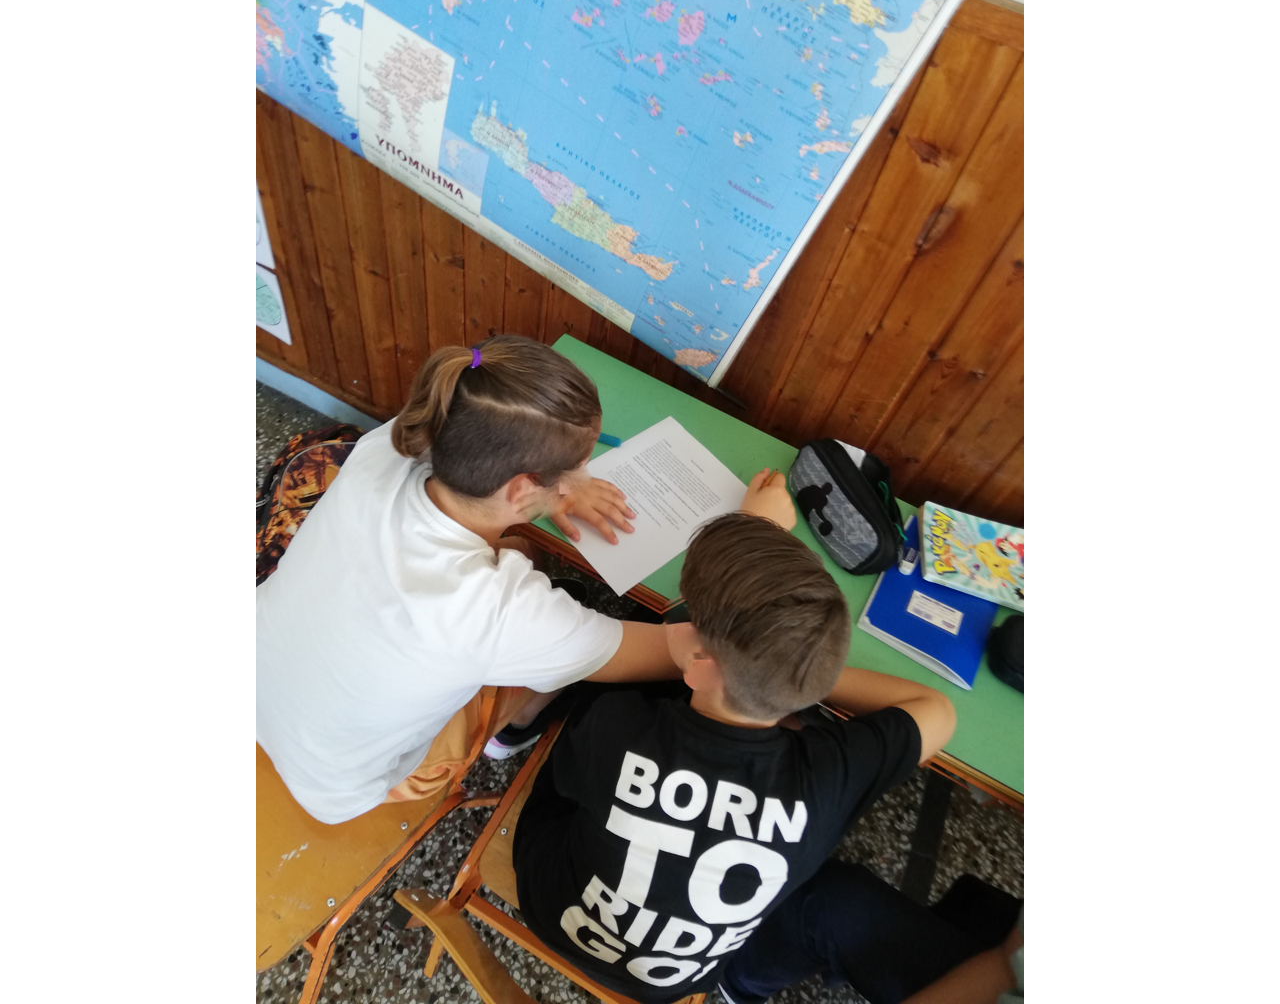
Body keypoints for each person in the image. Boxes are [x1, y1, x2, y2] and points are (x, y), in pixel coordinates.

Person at [256, 335, 792, 825]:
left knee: (522, 553)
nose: (583, 478)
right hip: (342, 787)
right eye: (578, 468)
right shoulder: (496, 612)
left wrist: (551, 491)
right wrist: (755, 534)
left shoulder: (389, 448)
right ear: (520, 489)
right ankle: (517, 723)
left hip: (272, 680)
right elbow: (683, 652)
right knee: (551, 629)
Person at [512, 510, 1011, 1004]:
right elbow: (938, 711)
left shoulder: (617, 721)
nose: (680, 619)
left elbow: (570, 783)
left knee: (601, 703)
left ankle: (523, 720)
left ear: (700, 664)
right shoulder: (831, 776)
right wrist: (793, 669)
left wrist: (742, 656)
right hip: (677, 982)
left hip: (551, 909)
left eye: (688, 617)